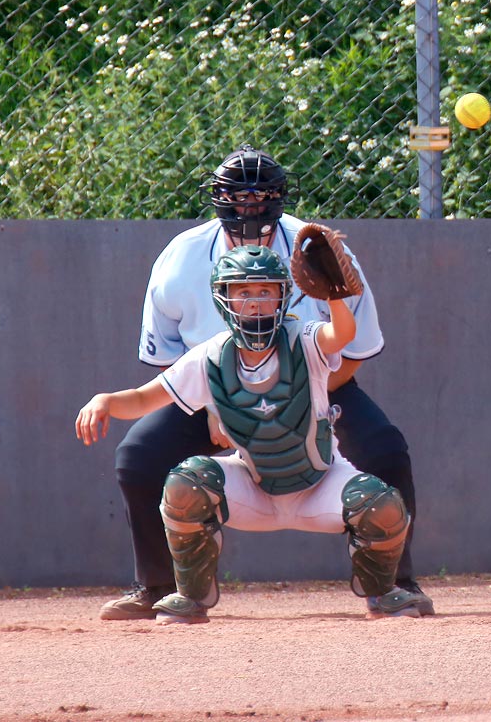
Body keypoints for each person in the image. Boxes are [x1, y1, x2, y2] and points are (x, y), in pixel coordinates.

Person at [101, 144, 432, 620]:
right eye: (237, 198)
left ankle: (395, 582)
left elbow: (352, 350)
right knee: (138, 457)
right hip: (210, 393)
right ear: (217, 201)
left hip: (315, 386)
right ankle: (156, 585)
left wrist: (301, 397)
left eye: (261, 197)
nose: (248, 207)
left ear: (279, 200)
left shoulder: (313, 248)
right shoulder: (181, 257)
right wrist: (219, 408)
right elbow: (169, 362)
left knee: (385, 449)